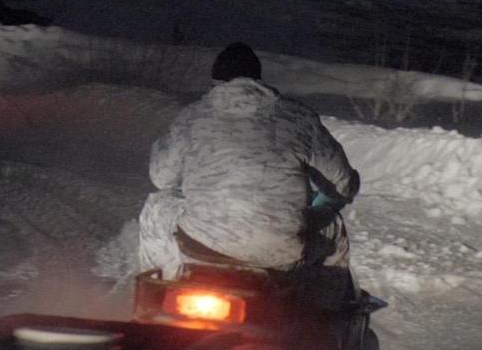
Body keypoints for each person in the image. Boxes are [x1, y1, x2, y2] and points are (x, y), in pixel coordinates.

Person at [136, 41, 360, 280]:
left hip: (200, 246)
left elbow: (161, 178)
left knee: (156, 207)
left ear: (215, 82)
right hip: (279, 253)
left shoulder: (191, 117)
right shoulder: (297, 118)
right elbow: (341, 182)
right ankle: (326, 311)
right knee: (333, 227)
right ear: (258, 81)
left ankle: (157, 291)